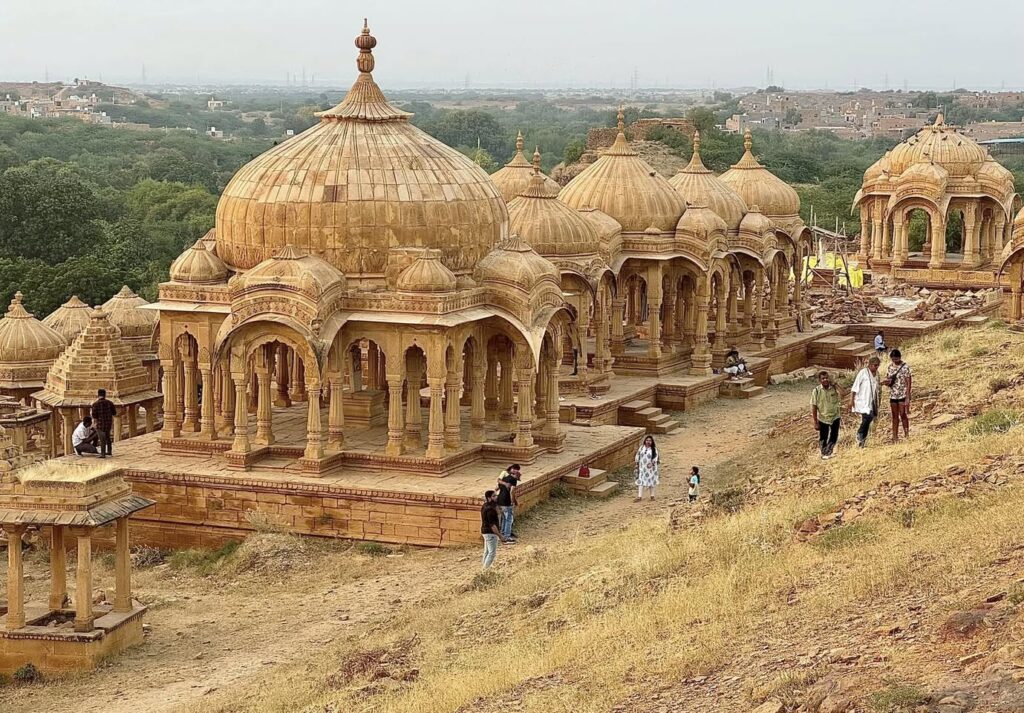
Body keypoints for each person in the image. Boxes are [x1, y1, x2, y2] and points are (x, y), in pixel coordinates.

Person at [850, 357, 881, 448]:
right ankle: (860, 433)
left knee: (867, 420)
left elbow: (876, 387)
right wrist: (852, 401)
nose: (876, 367)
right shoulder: (863, 373)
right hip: (862, 401)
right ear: (870, 365)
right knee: (868, 417)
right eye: (875, 365)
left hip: (870, 401)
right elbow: (854, 388)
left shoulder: (876, 375)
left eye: (878, 366)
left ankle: (862, 441)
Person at [810, 370, 842, 460]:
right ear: (820, 380)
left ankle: (829, 451)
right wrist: (815, 422)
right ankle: (824, 453)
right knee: (823, 437)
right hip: (823, 418)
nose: (825, 380)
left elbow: (843, 393)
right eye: (823, 378)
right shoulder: (816, 391)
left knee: (834, 436)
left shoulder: (834, 388)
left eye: (827, 378)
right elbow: (814, 406)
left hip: (835, 416)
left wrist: (835, 384)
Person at [885, 349, 913, 443]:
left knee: (903, 414)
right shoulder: (890, 367)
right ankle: (895, 436)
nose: (895, 361)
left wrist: (908, 396)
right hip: (893, 394)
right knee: (894, 416)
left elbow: (908, 382)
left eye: (896, 359)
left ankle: (906, 434)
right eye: (893, 359)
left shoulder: (905, 367)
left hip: (902, 394)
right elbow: (889, 379)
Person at [480, 489, 508, 570]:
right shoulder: (490, 510)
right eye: (494, 496)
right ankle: (485, 570)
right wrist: (500, 536)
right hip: (490, 532)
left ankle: (484, 568)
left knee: (487, 551)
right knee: (492, 553)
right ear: (489, 498)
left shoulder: (485, 505)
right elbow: (492, 525)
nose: (496, 497)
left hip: (485, 531)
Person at [495, 464, 521, 544]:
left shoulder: (504, 478)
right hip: (506, 501)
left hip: (500, 500)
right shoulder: (513, 480)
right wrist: (514, 501)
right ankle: (507, 536)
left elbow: (497, 488)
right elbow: (512, 492)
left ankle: (502, 534)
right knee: (509, 519)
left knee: (503, 518)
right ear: (516, 475)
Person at [91, 388, 117, 458]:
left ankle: (103, 453)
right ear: (105, 395)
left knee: (102, 439)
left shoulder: (95, 404)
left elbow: (94, 415)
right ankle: (109, 451)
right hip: (108, 423)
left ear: (98, 395)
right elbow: (114, 412)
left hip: (100, 424)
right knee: (108, 437)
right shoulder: (110, 403)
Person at [634, 435, 659, 501]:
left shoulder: (654, 449)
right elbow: (638, 455)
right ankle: (639, 496)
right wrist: (636, 463)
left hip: (651, 469)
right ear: (645, 441)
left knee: (651, 481)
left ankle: (652, 496)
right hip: (642, 468)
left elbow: (655, 458)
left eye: (650, 441)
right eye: (647, 440)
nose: (648, 442)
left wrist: (652, 463)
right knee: (641, 481)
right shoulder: (642, 448)